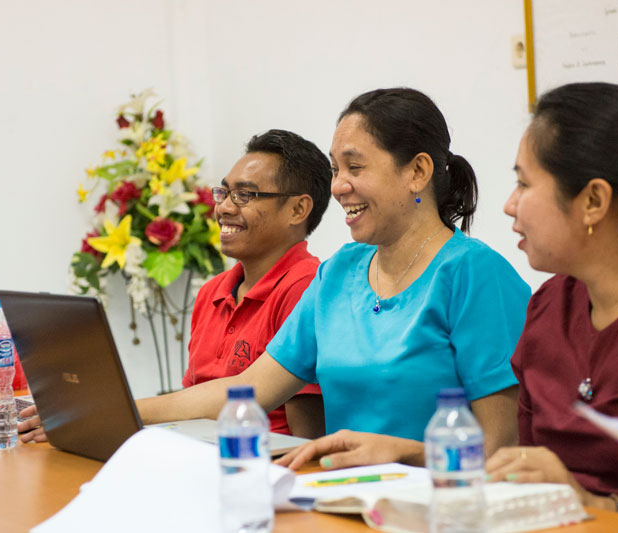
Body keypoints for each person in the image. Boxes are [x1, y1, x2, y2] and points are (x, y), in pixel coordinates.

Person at [135, 88, 529, 470]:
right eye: (336, 168)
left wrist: (406, 452)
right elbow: (247, 390)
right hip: (342, 499)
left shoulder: (475, 275)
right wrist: (124, 411)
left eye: (355, 167)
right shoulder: (339, 273)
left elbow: (501, 453)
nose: (338, 186)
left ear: (417, 171)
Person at [20, 129, 333, 441]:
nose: (223, 207)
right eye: (223, 193)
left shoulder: (306, 287)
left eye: (244, 195)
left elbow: (305, 439)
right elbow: (192, 406)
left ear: (297, 210)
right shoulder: (213, 292)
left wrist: (103, 411)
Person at [486, 82, 618, 515]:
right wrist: (410, 456)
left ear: (593, 201)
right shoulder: (550, 307)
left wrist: (593, 504)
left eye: (523, 184)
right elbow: (523, 469)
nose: (510, 205)